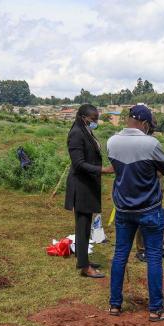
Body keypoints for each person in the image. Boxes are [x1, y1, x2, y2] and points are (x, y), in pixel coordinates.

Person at [107, 105, 164, 321]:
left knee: (120, 255)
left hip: (122, 209)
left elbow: (117, 168)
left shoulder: (112, 142)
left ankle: (114, 305)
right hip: (149, 209)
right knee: (154, 257)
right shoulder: (151, 143)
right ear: (146, 124)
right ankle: (156, 309)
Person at [64, 104, 114, 278]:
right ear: (83, 117)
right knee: (83, 225)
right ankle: (85, 267)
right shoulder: (76, 134)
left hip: (88, 184)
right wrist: (102, 170)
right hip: (81, 185)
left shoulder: (85, 130)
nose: (96, 122)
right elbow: (78, 163)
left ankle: (83, 258)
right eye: (93, 119)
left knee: (85, 226)